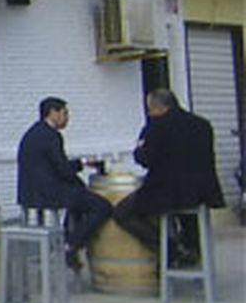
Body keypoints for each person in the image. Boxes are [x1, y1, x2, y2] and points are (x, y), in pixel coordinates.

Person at [112, 89, 225, 262]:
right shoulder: (202, 124)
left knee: (122, 212)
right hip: (203, 191)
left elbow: (145, 159)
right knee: (187, 215)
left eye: (150, 109)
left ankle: (170, 249)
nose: (149, 113)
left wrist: (139, 148)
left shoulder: (157, 126)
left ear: (159, 108)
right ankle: (193, 250)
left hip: (168, 192)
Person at [16, 96, 111, 269]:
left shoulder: (33, 133)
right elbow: (63, 170)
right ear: (53, 113)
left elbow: (51, 166)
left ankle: (72, 243)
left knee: (79, 195)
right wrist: (82, 163)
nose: (67, 118)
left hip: (28, 193)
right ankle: (71, 244)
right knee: (102, 206)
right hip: (47, 194)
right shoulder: (52, 136)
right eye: (65, 113)